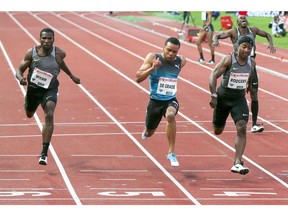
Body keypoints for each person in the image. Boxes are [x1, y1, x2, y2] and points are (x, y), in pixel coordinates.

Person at [16, 28, 81, 165]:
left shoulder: (59, 53)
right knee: (29, 114)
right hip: (33, 90)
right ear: (40, 38)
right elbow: (19, 70)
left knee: (49, 114)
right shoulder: (32, 52)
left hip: (50, 89)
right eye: (44, 38)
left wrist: (71, 76)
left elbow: (60, 63)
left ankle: (44, 153)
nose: (46, 41)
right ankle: (27, 103)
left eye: (49, 38)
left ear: (53, 39)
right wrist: (21, 78)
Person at [212, 15, 276, 133]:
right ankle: (232, 112)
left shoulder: (254, 30)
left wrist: (271, 43)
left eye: (245, 18)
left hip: (250, 66)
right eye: (241, 18)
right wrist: (215, 40)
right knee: (234, 89)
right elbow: (218, 35)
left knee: (254, 93)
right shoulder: (233, 32)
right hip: (236, 66)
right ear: (237, 22)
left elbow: (267, 34)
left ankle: (254, 124)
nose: (243, 19)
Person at [136, 37, 186, 167]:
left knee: (170, 115)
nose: (171, 54)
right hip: (155, 102)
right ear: (163, 48)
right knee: (150, 132)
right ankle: (147, 131)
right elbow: (138, 78)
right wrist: (152, 68)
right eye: (168, 50)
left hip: (170, 100)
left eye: (174, 52)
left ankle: (171, 152)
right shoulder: (153, 57)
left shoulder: (181, 61)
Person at [209, 36, 256, 175]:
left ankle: (237, 162)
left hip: (238, 99)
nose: (246, 50)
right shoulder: (229, 59)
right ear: (238, 47)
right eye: (244, 47)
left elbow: (251, 76)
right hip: (223, 97)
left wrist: (249, 86)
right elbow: (213, 75)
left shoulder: (252, 63)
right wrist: (213, 95)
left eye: (249, 48)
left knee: (241, 127)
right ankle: (218, 122)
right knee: (217, 130)